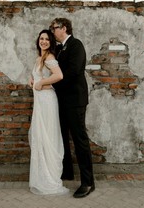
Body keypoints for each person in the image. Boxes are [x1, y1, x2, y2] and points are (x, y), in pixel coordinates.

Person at [49, 18, 95, 198]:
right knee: (62, 137)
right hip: (62, 101)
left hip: (75, 100)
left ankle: (88, 182)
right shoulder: (59, 49)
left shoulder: (76, 45)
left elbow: (74, 71)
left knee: (79, 139)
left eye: (54, 28)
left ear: (64, 28)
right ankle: (67, 172)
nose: (52, 31)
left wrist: (52, 84)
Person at [28, 29, 69, 195]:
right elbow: (38, 77)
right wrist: (32, 80)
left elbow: (59, 76)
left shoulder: (50, 57)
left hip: (47, 101)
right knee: (40, 136)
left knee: (47, 136)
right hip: (40, 101)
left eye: (46, 39)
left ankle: (49, 177)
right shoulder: (39, 58)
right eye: (41, 38)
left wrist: (42, 83)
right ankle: (41, 177)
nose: (43, 41)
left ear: (51, 42)